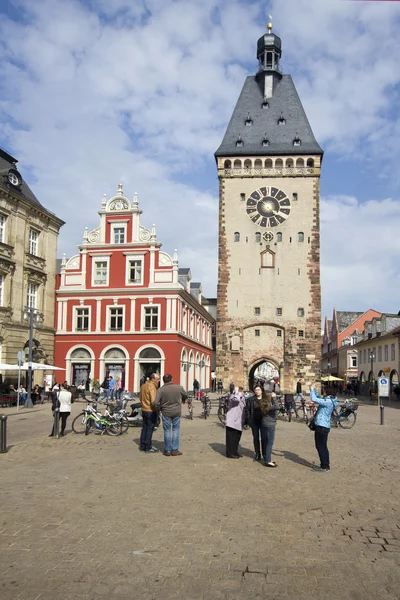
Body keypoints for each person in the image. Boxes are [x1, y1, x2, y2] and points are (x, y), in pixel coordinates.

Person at [155, 374, 187, 456]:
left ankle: (167, 450)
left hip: (166, 412)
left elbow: (156, 402)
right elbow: (185, 395)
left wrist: (158, 409)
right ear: (172, 379)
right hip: (176, 411)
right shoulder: (179, 387)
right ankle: (175, 449)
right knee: (176, 430)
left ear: (163, 380)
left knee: (167, 430)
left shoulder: (161, 390)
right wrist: (183, 399)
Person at [309, 383, 338, 472]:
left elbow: (314, 399)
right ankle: (325, 465)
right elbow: (318, 398)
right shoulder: (329, 400)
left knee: (320, 446)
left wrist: (311, 389)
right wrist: (314, 390)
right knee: (323, 446)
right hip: (324, 426)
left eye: (324, 390)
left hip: (321, 426)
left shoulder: (328, 402)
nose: (323, 391)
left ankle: (324, 466)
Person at [139, 373, 160, 453]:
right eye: (157, 379)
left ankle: (142, 445)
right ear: (153, 379)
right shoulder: (152, 387)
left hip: (144, 409)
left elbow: (140, 398)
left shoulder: (143, 386)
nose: (159, 381)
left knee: (144, 427)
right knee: (150, 429)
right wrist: (157, 409)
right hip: (150, 410)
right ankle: (148, 447)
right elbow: (153, 401)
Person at [260, 390, 280, 467]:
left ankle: (266, 458)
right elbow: (277, 406)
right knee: (270, 442)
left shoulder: (262, 403)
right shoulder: (270, 406)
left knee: (265, 441)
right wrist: (274, 398)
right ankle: (268, 461)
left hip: (264, 423)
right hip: (270, 424)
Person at [225, 386, 246, 459]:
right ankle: (230, 453)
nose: (243, 393)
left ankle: (234, 451)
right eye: (241, 391)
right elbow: (235, 401)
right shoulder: (233, 397)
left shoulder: (242, 397)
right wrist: (237, 393)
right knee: (231, 438)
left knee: (237, 438)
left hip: (239, 421)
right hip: (232, 421)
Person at [245, 384, 264, 461]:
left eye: (258, 390)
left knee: (264, 438)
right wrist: (249, 420)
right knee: (256, 438)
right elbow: (247, 410)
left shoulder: (265, 399)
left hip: (263, 422)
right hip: (254, 422)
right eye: (256, 390)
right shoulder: (250, 399)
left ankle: (264, 453)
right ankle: (257, 453)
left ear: (262, 391)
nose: (257, 391)